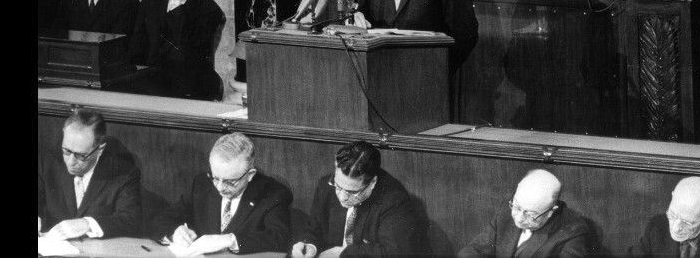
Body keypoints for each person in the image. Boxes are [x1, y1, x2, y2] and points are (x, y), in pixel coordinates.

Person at [151, 132, 293, 255]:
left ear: (250, 175)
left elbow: (279, 238)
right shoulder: (202, 183)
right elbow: (159, 220)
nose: (219, 187)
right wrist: (173, 232)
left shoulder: (273, 194)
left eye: (229, 182)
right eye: (215, 178)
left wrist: (230, 240)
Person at [291, 140, 426, 257]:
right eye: (338, 186)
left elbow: (394, 252)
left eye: (352, 192)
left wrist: (344, 254)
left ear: (372, 183)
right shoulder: (326, 185)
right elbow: (314, 229)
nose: (342, 197)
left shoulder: (393, 199)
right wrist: (309, 246)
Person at [129, 0, 226, 101]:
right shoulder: (150, 0)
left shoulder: (209, 9)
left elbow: (184, 53)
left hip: (188, 86)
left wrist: (176, 1)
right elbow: (137, 48)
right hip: (150, 81)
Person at [38, 109, 141, 240]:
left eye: (81, 155)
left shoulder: (124, 173)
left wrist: (87, 224)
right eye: (66, 150)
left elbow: (130, 220)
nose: (71, 161)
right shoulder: (47, 162)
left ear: (100, 150)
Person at [459, 169, 589, 258]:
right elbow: (474, 250)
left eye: (530, 214)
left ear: (551, 211)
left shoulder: (573, 231)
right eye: (516, 207)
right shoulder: (507, 209)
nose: (519, 219)